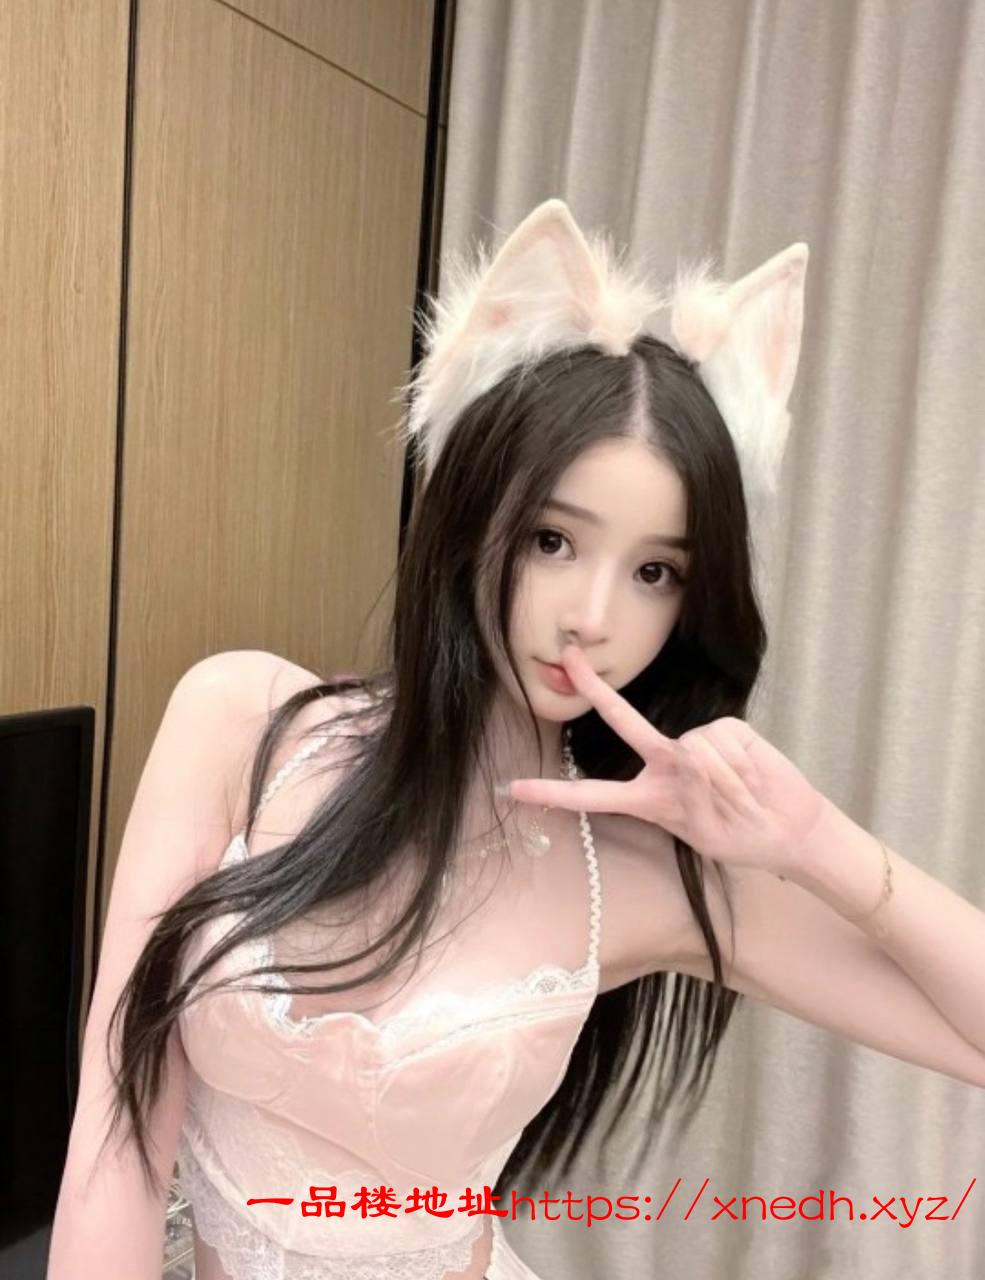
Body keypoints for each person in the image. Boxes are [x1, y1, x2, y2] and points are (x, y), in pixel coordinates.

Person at [48, 199, 985, 1280]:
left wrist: (816, 842)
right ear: (471, 513)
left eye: (654, 571)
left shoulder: (639, 878)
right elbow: (117, 1132)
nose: (593, 615)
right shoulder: (244, 725)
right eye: (552, 539)